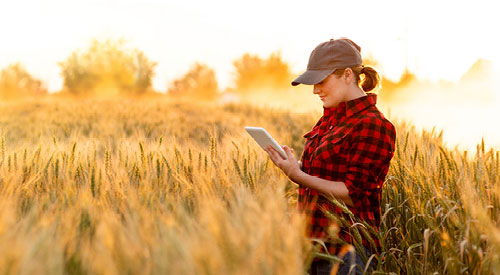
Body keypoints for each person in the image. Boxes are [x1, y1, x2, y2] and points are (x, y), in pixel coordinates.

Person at [265, 38, 396, 275]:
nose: (315, 90)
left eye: (321, 81)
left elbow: (352, 194)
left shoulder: (374, 125)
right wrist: (297, 165)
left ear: (347, 75)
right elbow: (325, 174)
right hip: (311, 246)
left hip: (347, 252)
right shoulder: (329, 119)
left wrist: (297, 175)